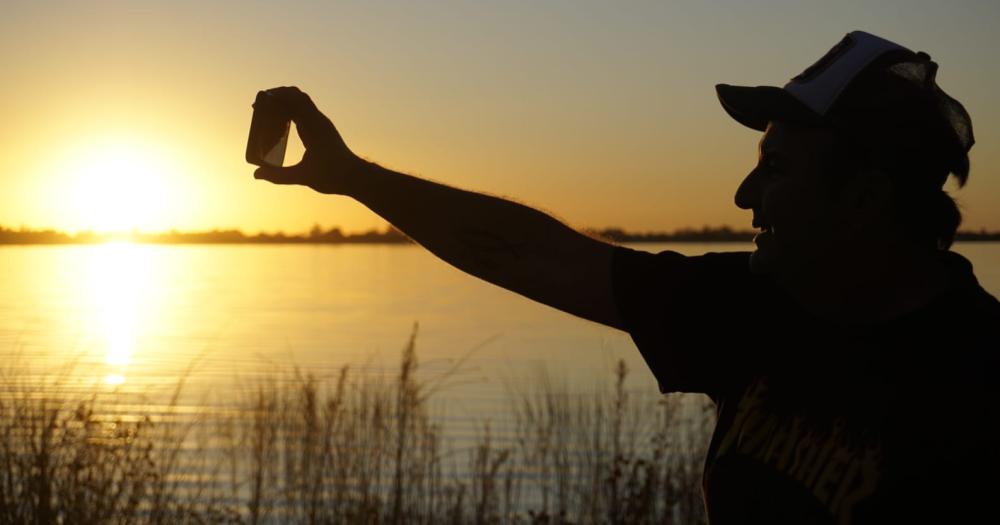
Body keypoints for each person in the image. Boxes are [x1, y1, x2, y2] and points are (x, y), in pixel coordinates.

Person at [251, 30, 999, 525]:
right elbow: (527, 253)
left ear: (864, 197)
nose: (744, 196)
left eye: (776, 170)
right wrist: (353, 176)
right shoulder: (751, 308)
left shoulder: (977, 380)